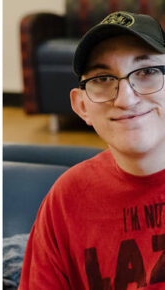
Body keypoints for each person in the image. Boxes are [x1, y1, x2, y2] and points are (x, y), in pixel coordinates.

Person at [19, 11, 165, 289]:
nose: (125, 99)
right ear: (81, 105)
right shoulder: (65, 200)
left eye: (147, 72)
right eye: (102, 79)